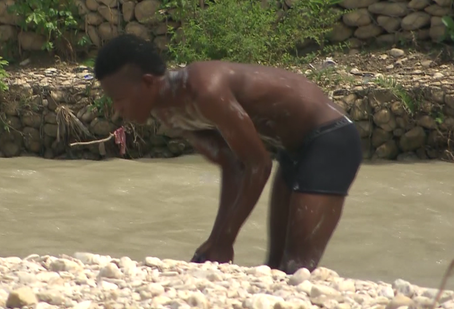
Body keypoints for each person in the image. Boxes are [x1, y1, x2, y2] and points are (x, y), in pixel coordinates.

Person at [93, 34, 363, 274]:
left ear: (148, 83)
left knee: (297, 271)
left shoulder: (205, 89)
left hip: (330, 139)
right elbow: (232, 165)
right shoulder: (169, 114)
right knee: (274, 269)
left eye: (119, 99)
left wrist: (225, 239)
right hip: (292, 151)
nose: (118, 110)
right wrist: (218, 240)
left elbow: (258, 165)